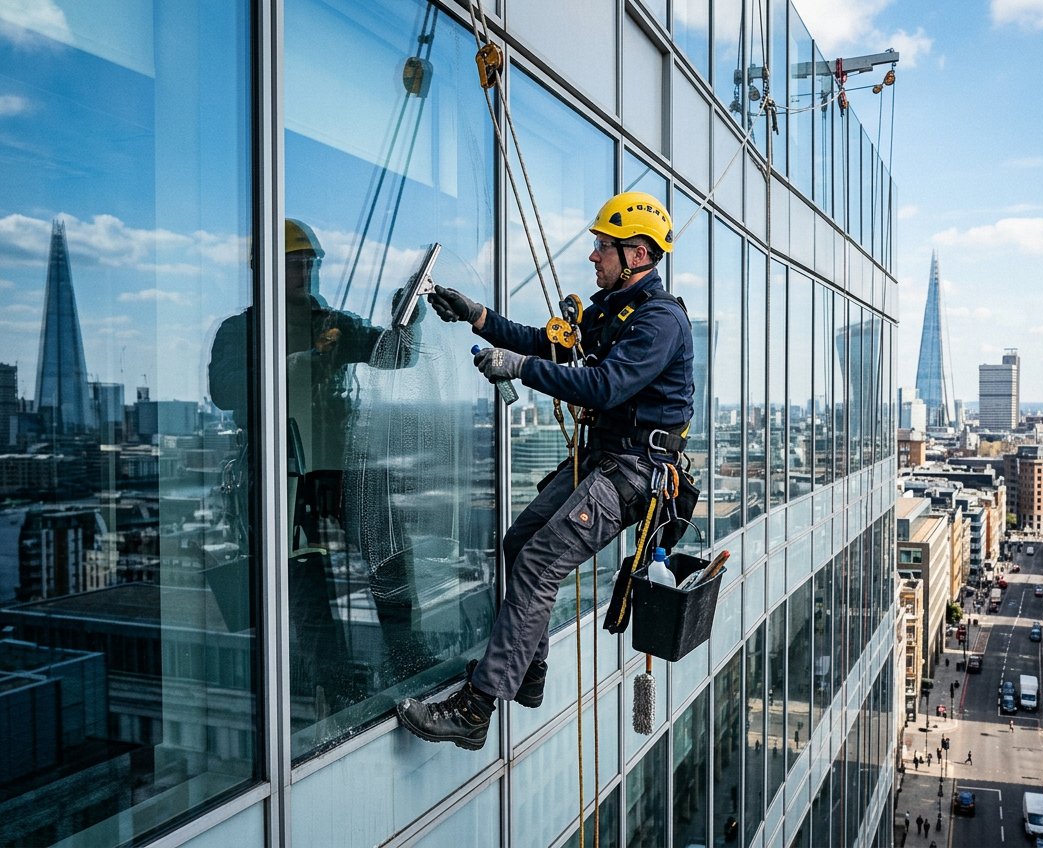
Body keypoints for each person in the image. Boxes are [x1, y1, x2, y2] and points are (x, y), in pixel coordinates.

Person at [396, 192, 693, 750]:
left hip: (632, 472)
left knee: (538, 564)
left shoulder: (660, 321)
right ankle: (527, 672)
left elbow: (605, 385)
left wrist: (520, 369)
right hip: (602, 460)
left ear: (636, 253)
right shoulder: (615, 310)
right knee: (520, 541)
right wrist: (476, 316)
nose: (593, 257)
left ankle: (476, 707)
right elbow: (547, 344)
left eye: (603, 247)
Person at [209, 218, 421, 714]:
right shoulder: (242, 330)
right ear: (267, 272)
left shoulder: (335, 324)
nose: (305, 271)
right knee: (306, 586)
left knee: (390, 552)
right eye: (294, 263)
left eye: (309, 262)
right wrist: (296, 360)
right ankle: (339, 685)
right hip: (280, 469)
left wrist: (407, 318)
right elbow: (224, 389)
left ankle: (408, 657)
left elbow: (393, 356)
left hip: (337, 464)